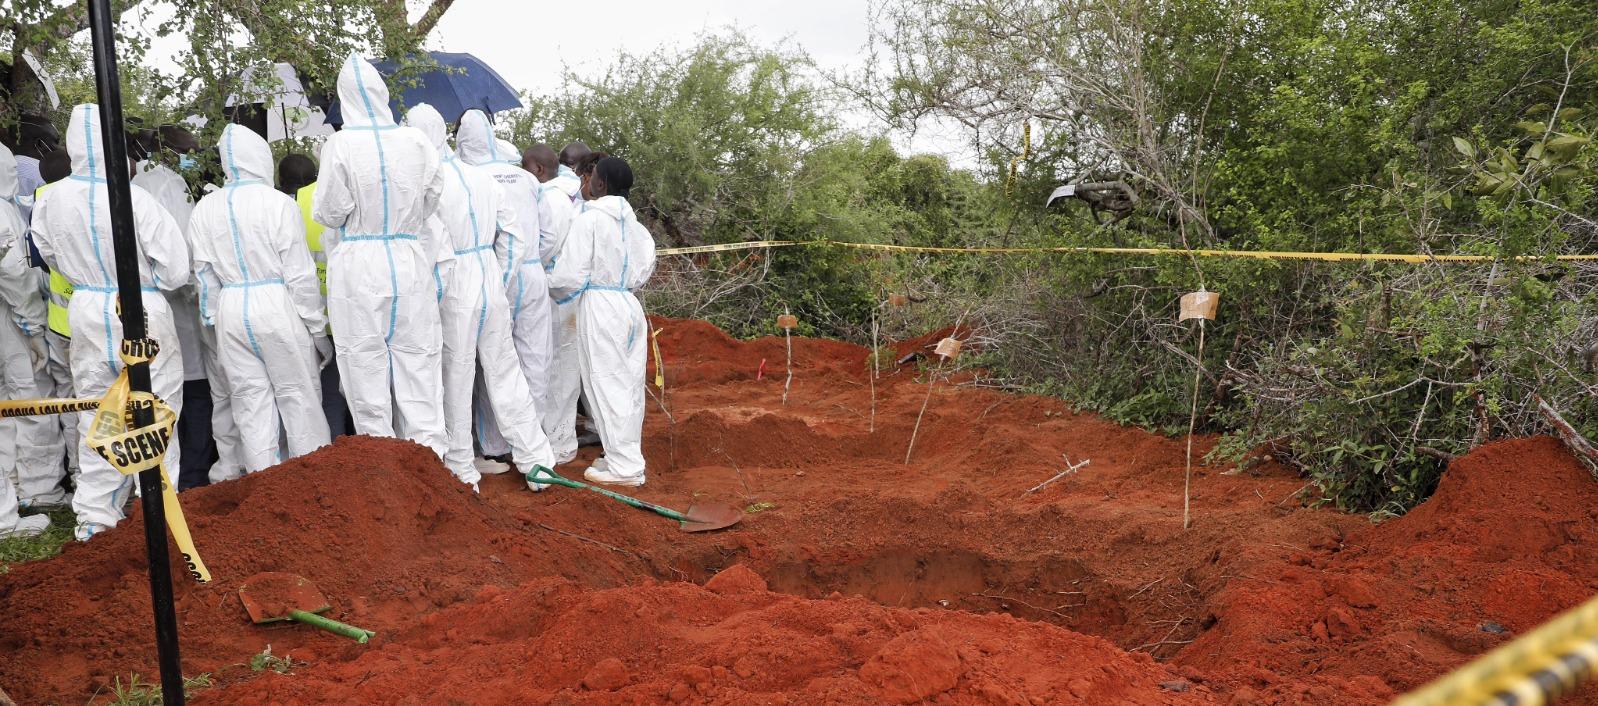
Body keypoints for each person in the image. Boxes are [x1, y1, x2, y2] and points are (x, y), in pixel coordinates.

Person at [31, 104, 191, 540]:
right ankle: (156, 508)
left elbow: (48, 255)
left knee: (97, 412)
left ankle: (95, 516)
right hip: (139, 310)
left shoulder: (51, 199)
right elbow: (176, 270)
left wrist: (87, 276)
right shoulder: (135, 196)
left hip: (86, 312)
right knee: (153, 408)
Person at [406, 104, 556, 490]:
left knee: (456, 376)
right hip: (488, 274)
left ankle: (461, 469)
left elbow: (432, 247)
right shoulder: (482, 180)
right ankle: (538, 462)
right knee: (506, 372)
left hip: (455, 280)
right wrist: (500, 281)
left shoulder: (430, 184)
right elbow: (514, 238)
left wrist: (435, 297)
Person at [312, 53, 450, 460]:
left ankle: (385, 480)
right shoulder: (417, 141)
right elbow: (430, 199)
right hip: (408, 258)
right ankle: (436, 473)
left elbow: (330, 211)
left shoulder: (339, 144)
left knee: (365, 369)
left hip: (359, 265)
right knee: (420, 367)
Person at [188, 125, 332, 473]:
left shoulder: (205, 208)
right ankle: (315, 485)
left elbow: (204, 278)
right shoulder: (280, 204)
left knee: (250, 407)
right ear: (261, 158)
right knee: (300, 399)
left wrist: (213, 319)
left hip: (231, 307)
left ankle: (264, 488)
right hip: (276, 304)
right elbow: (299, 275)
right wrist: (317, 328)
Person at [133, 126, 247, 489]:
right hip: (176, 302)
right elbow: (183, 254)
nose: (192, 156)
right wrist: (199, 290)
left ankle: (161, 479)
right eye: (188, 150)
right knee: (193, 385)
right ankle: (192, 475)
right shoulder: (167, 183)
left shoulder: (135, 185)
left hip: (142, 305)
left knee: (156, 391)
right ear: (166, 151)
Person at [546, 157, 656, 487]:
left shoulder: (589, 220)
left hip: (600, 305)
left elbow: (570, 275)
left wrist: (545, 282)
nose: (588, 181)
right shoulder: (638, 229)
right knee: (629, 384)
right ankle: (623, 454)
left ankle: (625, 466)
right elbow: (643, 270)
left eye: (592, 176)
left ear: (601, 184)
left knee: (606, 383)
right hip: (628, 305)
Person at [454, 110, 550, 469]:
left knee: (489, 362)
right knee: (534, 358)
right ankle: (533, 434)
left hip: (492, 274)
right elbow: (549, 232)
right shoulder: (527, 179)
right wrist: (535, 262)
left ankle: (494, 445)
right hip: (533, 273)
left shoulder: (472, 178)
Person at [0, 142, 58, 528]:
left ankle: (12, 495)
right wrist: (34, 327)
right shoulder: (2, 213)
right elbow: (15, 275)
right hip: (8, 320)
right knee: (28, 398)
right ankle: (38, 491)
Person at [279, 152, 353, 438]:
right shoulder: (334, 198)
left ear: (283, 181)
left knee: (324, 392)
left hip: (307, 315)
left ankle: (334, 450)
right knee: (359, 386)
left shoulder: (288, 205)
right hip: (347, 309)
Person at [521, 143, 584, 464]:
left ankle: (554, 443)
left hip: (555, 293)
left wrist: (531, 269)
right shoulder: (579, 194)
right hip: (578, 291)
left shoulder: (554, 197)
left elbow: (546, 241)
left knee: (554, 369)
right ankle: (560, 438)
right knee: (568, 368)